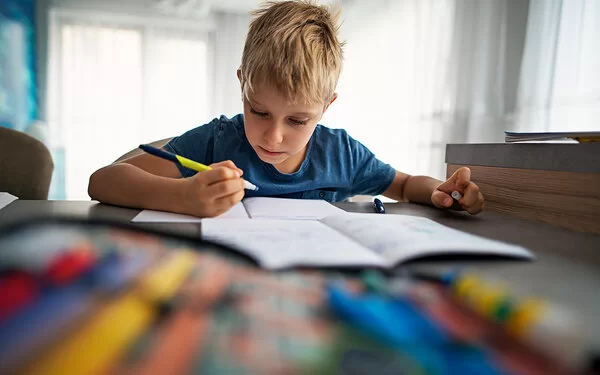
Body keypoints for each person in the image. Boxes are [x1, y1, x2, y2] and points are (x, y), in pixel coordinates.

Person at [88, 0, 484, 218]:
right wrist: (182, 195)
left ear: (326, 106)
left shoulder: (341, 154)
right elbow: (103, 181)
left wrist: (439, 192)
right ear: (242, 84)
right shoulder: (218, 139)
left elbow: (403, 185)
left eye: (297, 120)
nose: (273, 136)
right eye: (258, 111)